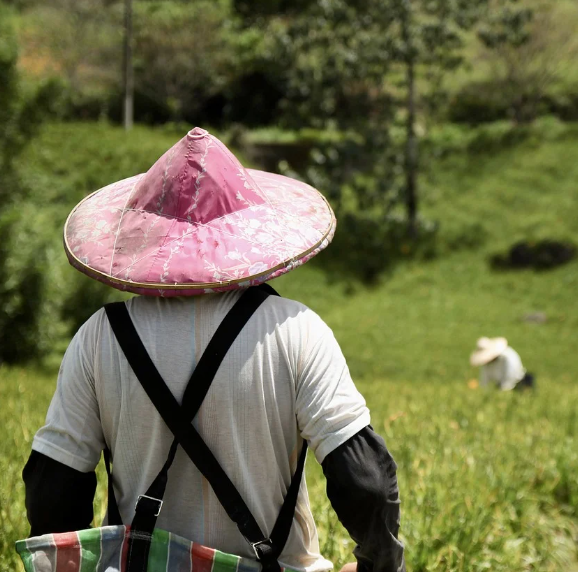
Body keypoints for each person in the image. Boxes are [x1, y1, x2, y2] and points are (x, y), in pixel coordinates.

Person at [21, 128, 405, 572]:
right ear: (250, 233)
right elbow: (369, 484)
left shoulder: (99, 338)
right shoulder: (297, 331)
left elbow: (53, 491)